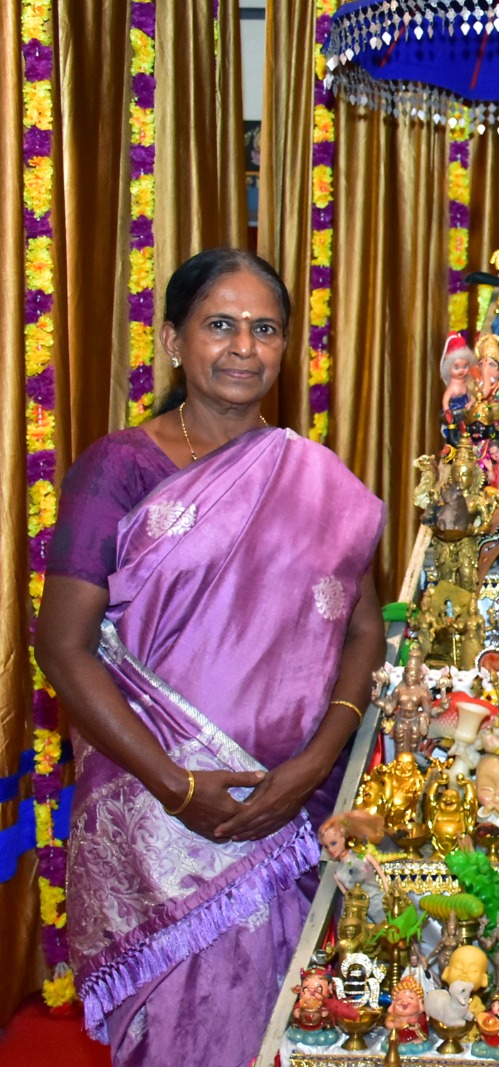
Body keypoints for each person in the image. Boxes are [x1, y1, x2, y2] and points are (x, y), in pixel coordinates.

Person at [38, 249, 387, 1067]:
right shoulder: (119, 468)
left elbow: (364, 631)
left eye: (265, 329)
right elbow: (61, 643)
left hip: (295, 811)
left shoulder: (318, 480)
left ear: (286, 346)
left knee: (302, 1028)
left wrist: (313, 764)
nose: (243, 347)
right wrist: (177, 785)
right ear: (173, 341)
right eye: (220, 325)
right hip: (159, 817)